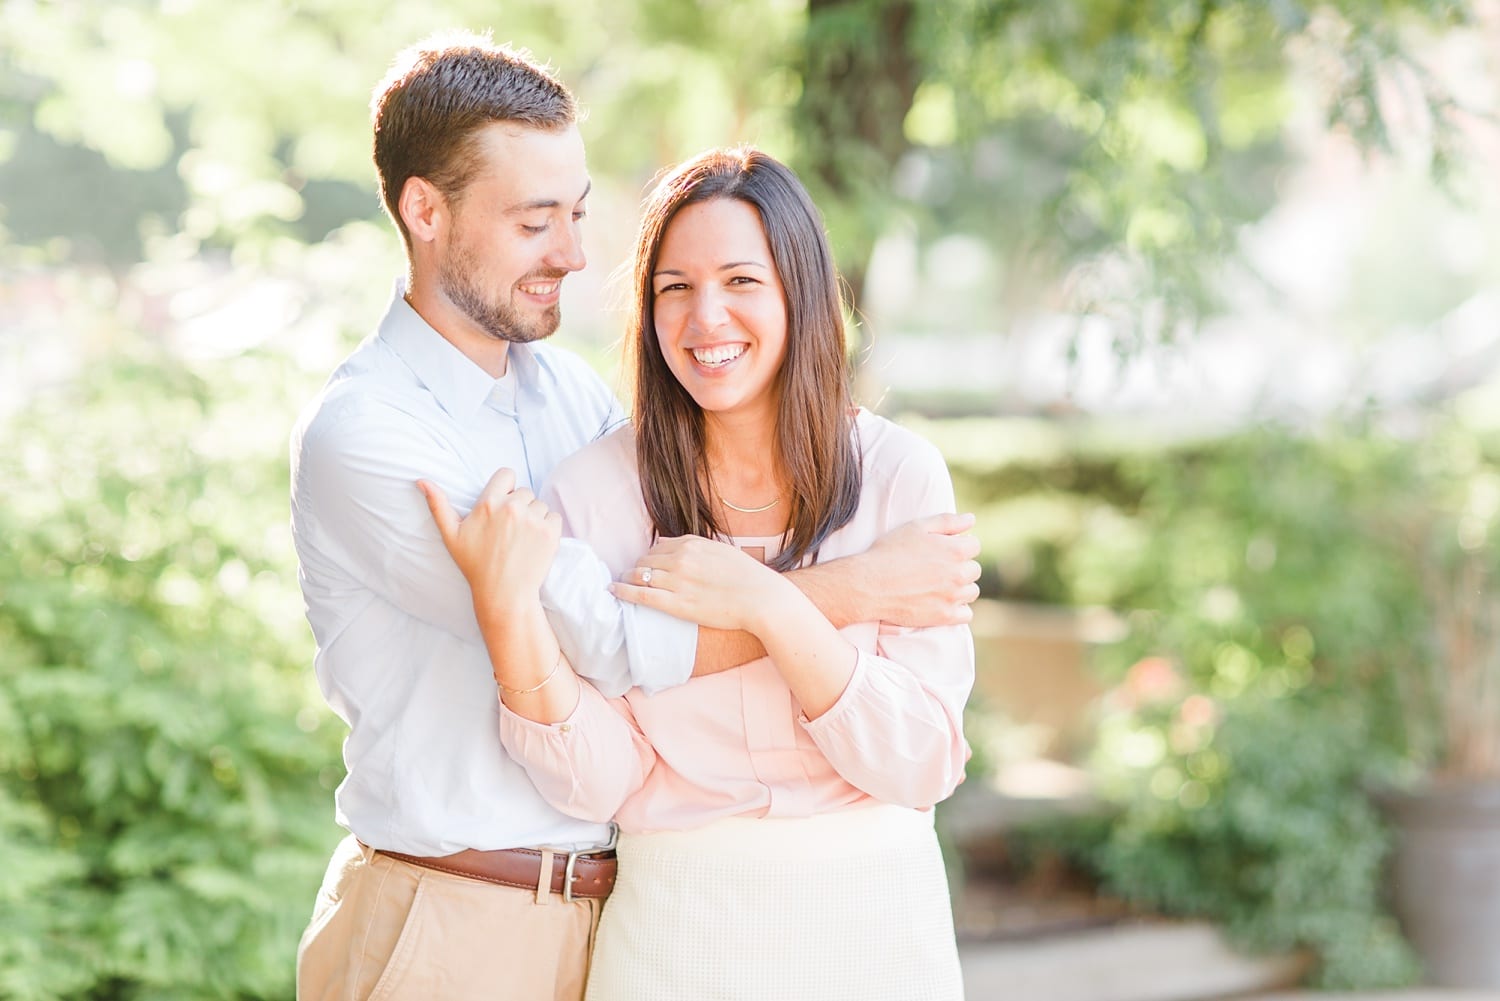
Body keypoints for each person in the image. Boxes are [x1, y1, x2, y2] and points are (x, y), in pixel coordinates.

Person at [290, 32, 981, 1001]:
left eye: (574, 216)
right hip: (458, 911)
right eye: (538, 222)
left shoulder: (569, 400)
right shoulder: (371, 431)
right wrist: (850, 588)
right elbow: (613, 639)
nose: (574, 255)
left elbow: (918, 750)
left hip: (608, 911)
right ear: (425, 210)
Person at [425, 147, 973, 1001]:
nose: (704, 316)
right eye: (673, 287)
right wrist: (510, 622)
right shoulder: (596, 491)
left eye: (740, 280)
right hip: (677, 935)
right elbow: (605, 777)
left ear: (800, 288)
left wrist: (765, 603)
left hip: (877, 929)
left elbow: (919, 762)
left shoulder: (901, 476)